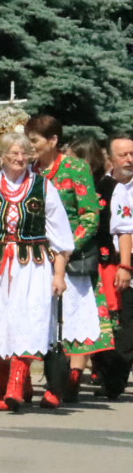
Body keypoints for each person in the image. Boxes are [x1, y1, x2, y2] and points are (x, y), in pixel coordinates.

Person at [0, 133, 73, 411]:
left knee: (27, 320)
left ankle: (15, 387)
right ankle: (2, 387)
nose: (20, 159)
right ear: (2, 157)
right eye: (13, 154)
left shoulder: (44, 187)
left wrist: (58, 275)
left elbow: (61, 237)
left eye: (24, 154)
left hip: (32, 265)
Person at [26, 114, 110, 408]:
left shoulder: (75, 169)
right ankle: (24, 380)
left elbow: (89, 214)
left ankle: (64, 381)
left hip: (70, 258)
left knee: (68, 322)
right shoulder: (28, 171)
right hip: (34, 259)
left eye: (34, 140)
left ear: (53, 141)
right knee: (36, 320)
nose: (29, 145)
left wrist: (66, 247)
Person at [75, 135, 133, 399]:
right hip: (98, 261)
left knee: (119, 324)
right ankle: (104, 375)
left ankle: (111, 374)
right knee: (108, 322)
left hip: (114, 261)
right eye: (123, 155)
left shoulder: (114, 187)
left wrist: (123, 264)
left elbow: (123, 230)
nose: (129, 160)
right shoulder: (90, 186)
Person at [102, 136, 133, 399]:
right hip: (108, 260)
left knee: (128, 323)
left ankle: (115, 379)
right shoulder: (103, 186)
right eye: (123, 155)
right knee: (117, 322)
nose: (129, 160)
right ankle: (111, 377)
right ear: (111, 158)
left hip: (127, 260)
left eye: (132, 154)